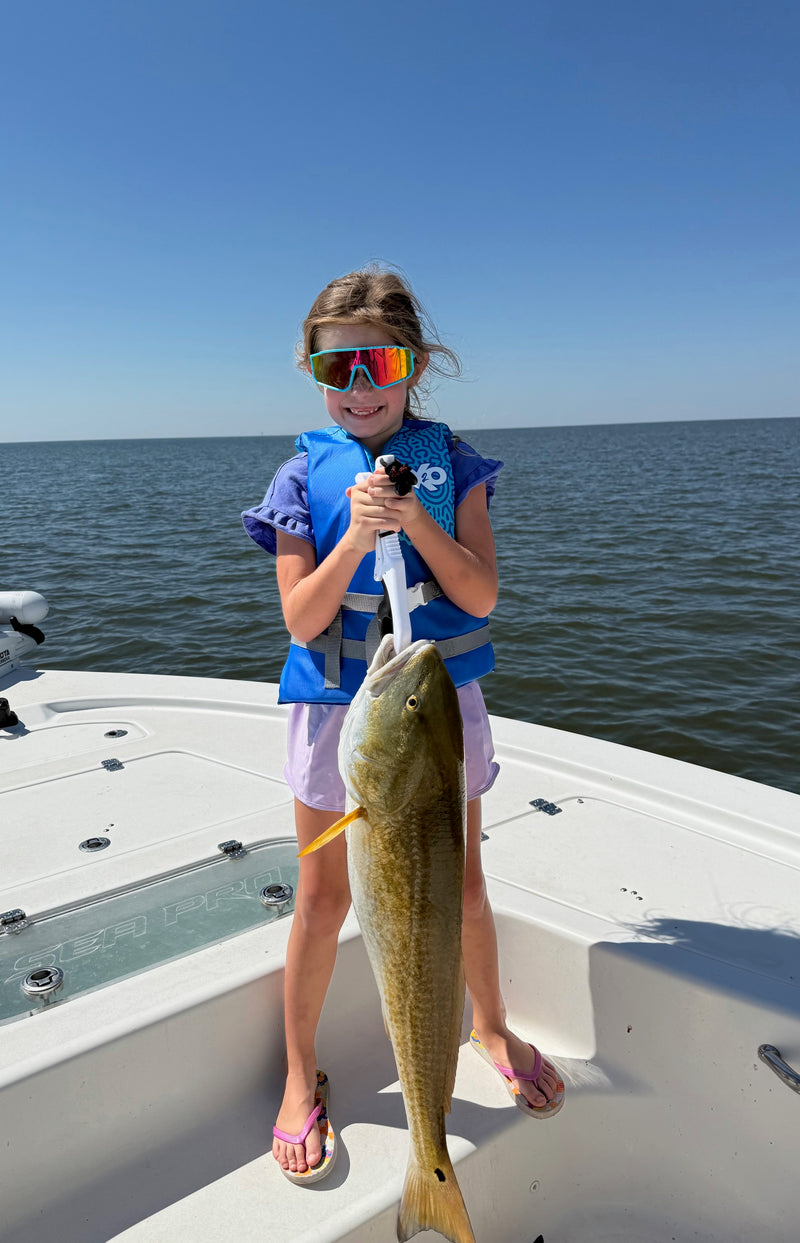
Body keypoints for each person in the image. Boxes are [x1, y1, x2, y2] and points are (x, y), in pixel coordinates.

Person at [242, 266, 565, 1183]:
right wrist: (354, 534)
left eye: (376, 364)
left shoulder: (452, 465)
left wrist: (414, 516)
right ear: (312, 372)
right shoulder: (301, 475)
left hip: (435, 707)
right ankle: (299, 1071)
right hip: (335, 713)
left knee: (464, 889)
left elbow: (481, 594)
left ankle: (489, 1026)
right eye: (333, 367)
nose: (357, 387)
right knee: (323, 899)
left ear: (412, 365)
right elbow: (302, 617)